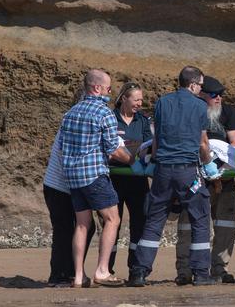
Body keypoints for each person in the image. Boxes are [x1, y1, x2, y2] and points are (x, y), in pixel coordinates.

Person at [128, 66, 221, 287]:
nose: (201, 89)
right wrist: (209, 166)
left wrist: (154, 162)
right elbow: (202, 143)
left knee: (154, 220)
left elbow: (157, 138)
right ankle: (200, 273)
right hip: (188, 171)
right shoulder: (199, 106)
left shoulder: (162, 102)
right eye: (200, 85)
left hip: (163, 171)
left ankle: (139, 272)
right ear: (192, 84)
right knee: (199, 217)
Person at [59, 69, 134, 288]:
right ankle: (102, 270)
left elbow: (62, 145)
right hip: (94, 174)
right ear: (97, 88)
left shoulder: (70, 112)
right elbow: (113, 149)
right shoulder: (104, 112)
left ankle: (79, 276)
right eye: (109, 88)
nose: (110, 92)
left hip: (73, 177)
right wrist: (132, 159)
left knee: (82, 225)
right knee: (113, 219)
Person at [175, 76, 235, 285]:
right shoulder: (188, 111)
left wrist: (226, 169)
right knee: (188, 224)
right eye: (214, 95)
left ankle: (220, 269)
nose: (219, 99)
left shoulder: (229, 113)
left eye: (221, 95)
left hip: (224, 178)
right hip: (195, 178)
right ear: (202, 94)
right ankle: (185, 270)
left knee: (225, 224)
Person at [105, 82, 153, 274]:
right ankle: (107, 269)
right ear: (124, 98)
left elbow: (148, 146)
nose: (139, 103)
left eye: (141, 99)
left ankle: (136, 269)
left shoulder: (142, 120)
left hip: (137, 181)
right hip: (113, 181)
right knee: (112, 224)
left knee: (139, 225)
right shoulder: (109, 117)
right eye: (136, 99)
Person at [43, 128, 96, 287]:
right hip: (59, 185)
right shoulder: (74, 122)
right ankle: (59, 276)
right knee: (64, 230)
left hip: (68, 184)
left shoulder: (76, 119)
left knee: (84, 227)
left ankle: (71, 272)